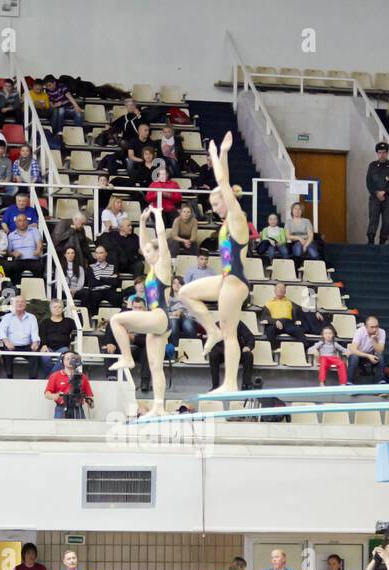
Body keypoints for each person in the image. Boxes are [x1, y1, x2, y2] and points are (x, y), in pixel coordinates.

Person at [177, 134, 247, 394]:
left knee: (230, 334)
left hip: (235, 282)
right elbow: (223, 185)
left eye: (216, 203)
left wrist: (221, 155)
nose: (215, 208)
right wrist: (222, 156)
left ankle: (230, 383)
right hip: (225, 279)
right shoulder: (227, 224)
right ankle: (211, 331)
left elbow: (223, 183)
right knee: (185, 292)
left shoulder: (238, 219)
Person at [107, 205, 175, 413]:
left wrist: (157, 215)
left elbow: (161, 238)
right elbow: (144, 243)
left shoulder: (163, 265)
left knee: (116, 320)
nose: (145, 253)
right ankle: (159, 407)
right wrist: (143, 223)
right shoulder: (152, 269)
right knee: (155, 366)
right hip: (159, 321)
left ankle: (127, 357)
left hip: (160, 315)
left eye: (148, 251)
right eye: (144, 252)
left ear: (157, 252)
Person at [0, 295, 42, 379]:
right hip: (11, 346)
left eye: (22, 301)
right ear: (13, 304)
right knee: (6, 353)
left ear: (26, 304)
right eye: (17, 302)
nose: (20, 303)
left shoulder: (32, 317)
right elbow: (2, 331)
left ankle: (32, 379)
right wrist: (6, 342)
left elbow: (34, 332)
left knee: (35, 353)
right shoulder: (7, 317)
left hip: (27, 346)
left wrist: (35, 342)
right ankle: (9, 378)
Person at [262, 282, 310, 355]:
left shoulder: (289, 302)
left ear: (285, 291)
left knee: (299, 331)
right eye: (279, 288)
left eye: (283, 288)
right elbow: (265, 316)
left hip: (288, 323)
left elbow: (303, 309)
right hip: (275, 324)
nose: (281, 290)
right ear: (274, 291)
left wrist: (315, 312)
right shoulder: (269, 302)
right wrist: (275, 321)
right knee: (269, 331)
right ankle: (275, 350)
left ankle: (305, 352)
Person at [366, 142, 389, 245]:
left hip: (388, 198)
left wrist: (384, 192)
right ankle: (371, 240)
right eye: (380, 152)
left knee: (387, 221)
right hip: (374, 197)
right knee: (373, 219)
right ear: (377, 153)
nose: (382, 155)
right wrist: (376, 193)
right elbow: (369, 182)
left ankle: (382, 241)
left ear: (387, 153)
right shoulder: (372, 165)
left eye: (384, 152)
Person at [44, 350, 94, 419]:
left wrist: (88, 401)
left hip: (78, 408)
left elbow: (89, 395)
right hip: (61, 408)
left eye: (72, 358)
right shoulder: (55, 376)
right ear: (62, 361)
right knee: (61, 429)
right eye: (67, 359)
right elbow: (47, 394)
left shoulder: (83, 377)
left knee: (80, 429)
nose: (70, 360)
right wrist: (55, 396)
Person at [346, 314, 386, 384]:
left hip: (371, 355)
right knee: (354, 357)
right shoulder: (360, 331)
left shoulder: (382, 332)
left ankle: (381, 382)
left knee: (380, 356)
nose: (375, 329)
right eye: (372, 327)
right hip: (358, 355)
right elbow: (353, 350)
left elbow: (380, 350)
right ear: (366, 327)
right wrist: (368, 356)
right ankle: (349, 383)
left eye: (376, 327)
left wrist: (374, 340)